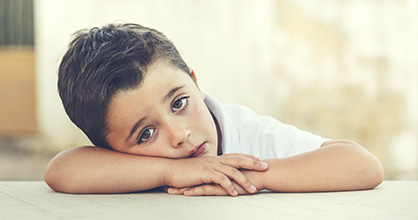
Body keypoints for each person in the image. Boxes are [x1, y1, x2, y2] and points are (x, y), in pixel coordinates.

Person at [44, 23, 384, 196]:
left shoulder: (251, 136)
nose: (180, 135)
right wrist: (171, 173)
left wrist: (237, 176)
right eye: (146, 134)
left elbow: (362, 165)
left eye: (179, 103)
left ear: (195, 82)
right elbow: (61, 171)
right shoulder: (125, 169)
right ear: (109, 150)